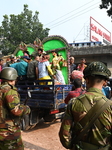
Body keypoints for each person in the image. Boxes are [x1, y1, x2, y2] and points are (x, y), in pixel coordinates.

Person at [59, 61, 112, 150]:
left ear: (86, 80)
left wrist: (72, 146)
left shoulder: (73, 102)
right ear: (105, 82)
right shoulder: (110, 106)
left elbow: (64, 134)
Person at [0, 67, 30, 150]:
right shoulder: (10, 91)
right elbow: (16, 111)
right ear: (13, 78)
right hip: (8, 132)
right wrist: (26, 108)